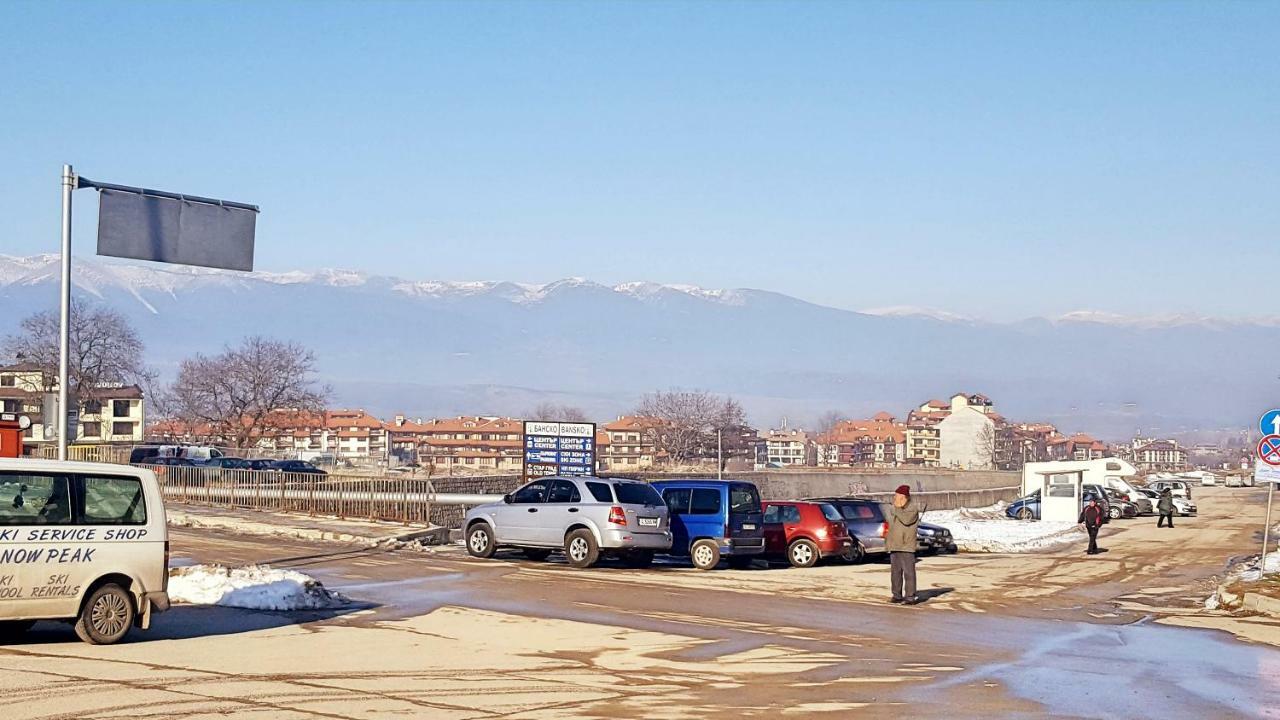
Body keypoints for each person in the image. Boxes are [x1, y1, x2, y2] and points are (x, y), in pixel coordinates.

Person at [887, 484, 921, 605]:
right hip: (895, 545)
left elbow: (906, 520)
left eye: (897, 497)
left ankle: (910, 597)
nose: (894, 499)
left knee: (908, 573)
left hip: (907, 545)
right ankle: (896, 595)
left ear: (904, 497)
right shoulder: (894, 509)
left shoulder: (912, 508)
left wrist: (897, 509)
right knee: (895, 573)